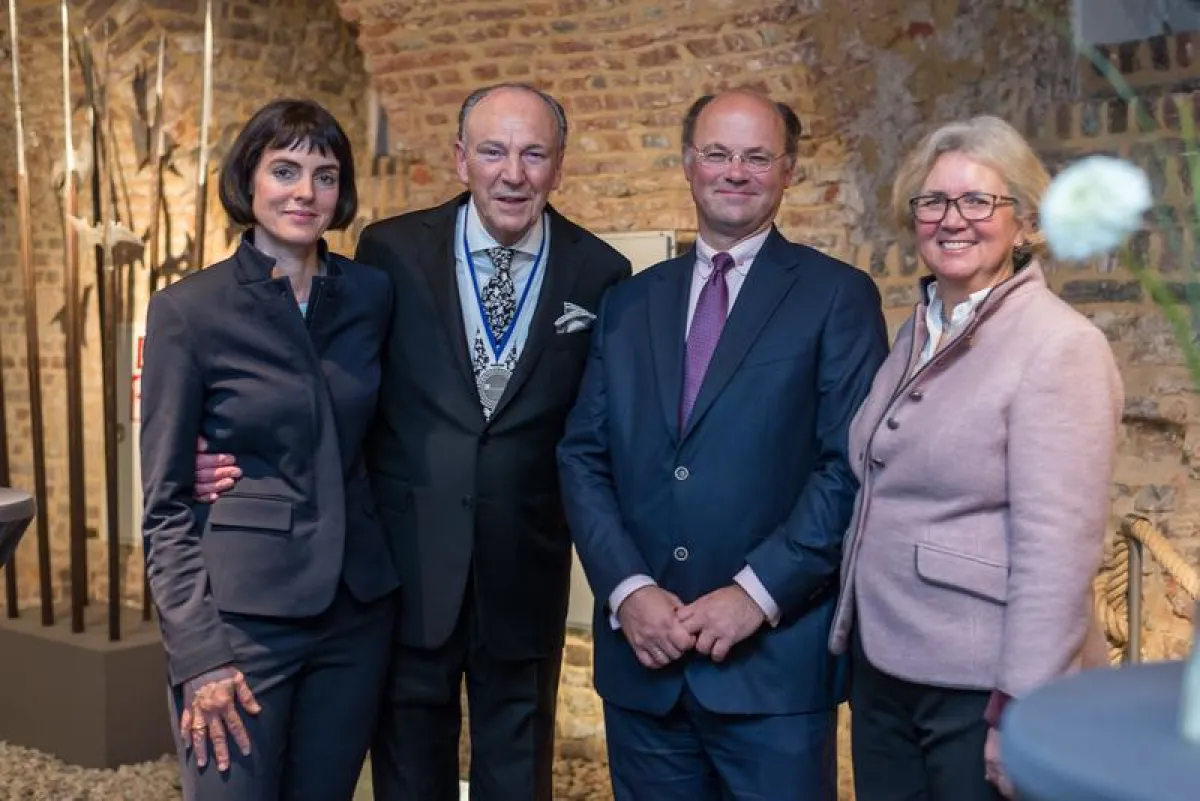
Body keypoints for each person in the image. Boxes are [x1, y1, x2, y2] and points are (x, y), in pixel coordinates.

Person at [194, 83, 631, 801]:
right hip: (403, 567)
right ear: (461, 159)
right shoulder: (389, 254)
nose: (511, 173)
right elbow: (320, 377)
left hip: (525, 567)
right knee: (405, 765)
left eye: (532, 154)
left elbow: (602, 427)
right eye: (492, 151)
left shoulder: (601, 271)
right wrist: (209, 443)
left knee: (518, 770)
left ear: (559, 165)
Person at [557, 88, 889, 801]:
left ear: (789, 169)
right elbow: (583, 455)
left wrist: (753, 593)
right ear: (687, 163)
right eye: (717, 153)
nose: (734, 171)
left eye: (757, 156)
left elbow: (848, 467)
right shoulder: (630, 300)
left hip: (772, 669)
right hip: (645, 668)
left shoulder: (838, 297)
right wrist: (628, 589)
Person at [828, 115, 1124, 800]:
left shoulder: (1059, 346)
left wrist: (1018, 706)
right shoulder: (922, 327)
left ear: (1023, 222)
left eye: (977, 201)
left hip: (979, 682)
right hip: (886, 664)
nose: (951, 219)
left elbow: (1059, 550)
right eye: (932, 201)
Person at [140, 99, 398, 800]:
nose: (304, 192)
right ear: (249, 180)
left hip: (356, 614)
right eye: (284, 170)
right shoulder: (189, 311)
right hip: (241, 623)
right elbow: (162, 507)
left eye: (324, 174)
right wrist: (197, 653)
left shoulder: (372, 296)